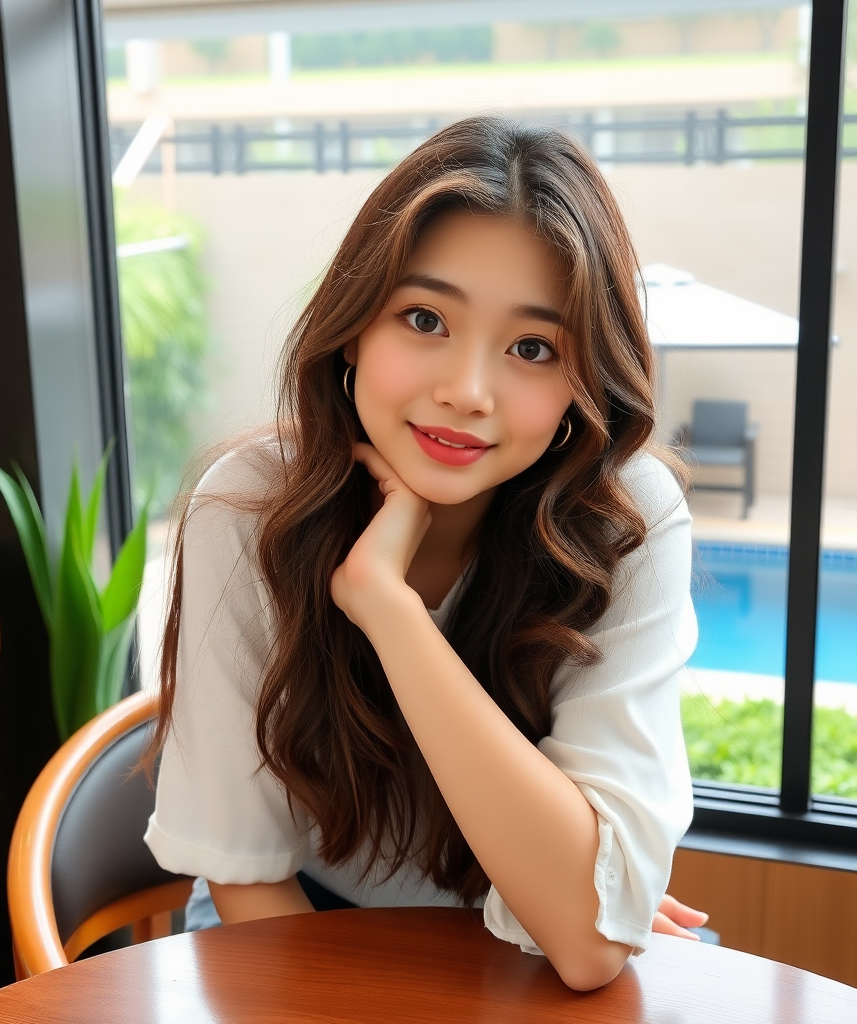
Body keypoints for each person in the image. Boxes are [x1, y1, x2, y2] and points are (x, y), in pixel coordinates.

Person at [143, 115, 707, 992]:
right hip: (296, 919)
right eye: (423, 318)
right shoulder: (248, 510)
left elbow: (589, 941)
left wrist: (390, 611)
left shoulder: (626, 517)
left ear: (581, 381)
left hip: (531, 925)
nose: (466, 393)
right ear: (353, 328)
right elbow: (248, 873)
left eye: (532, 347)